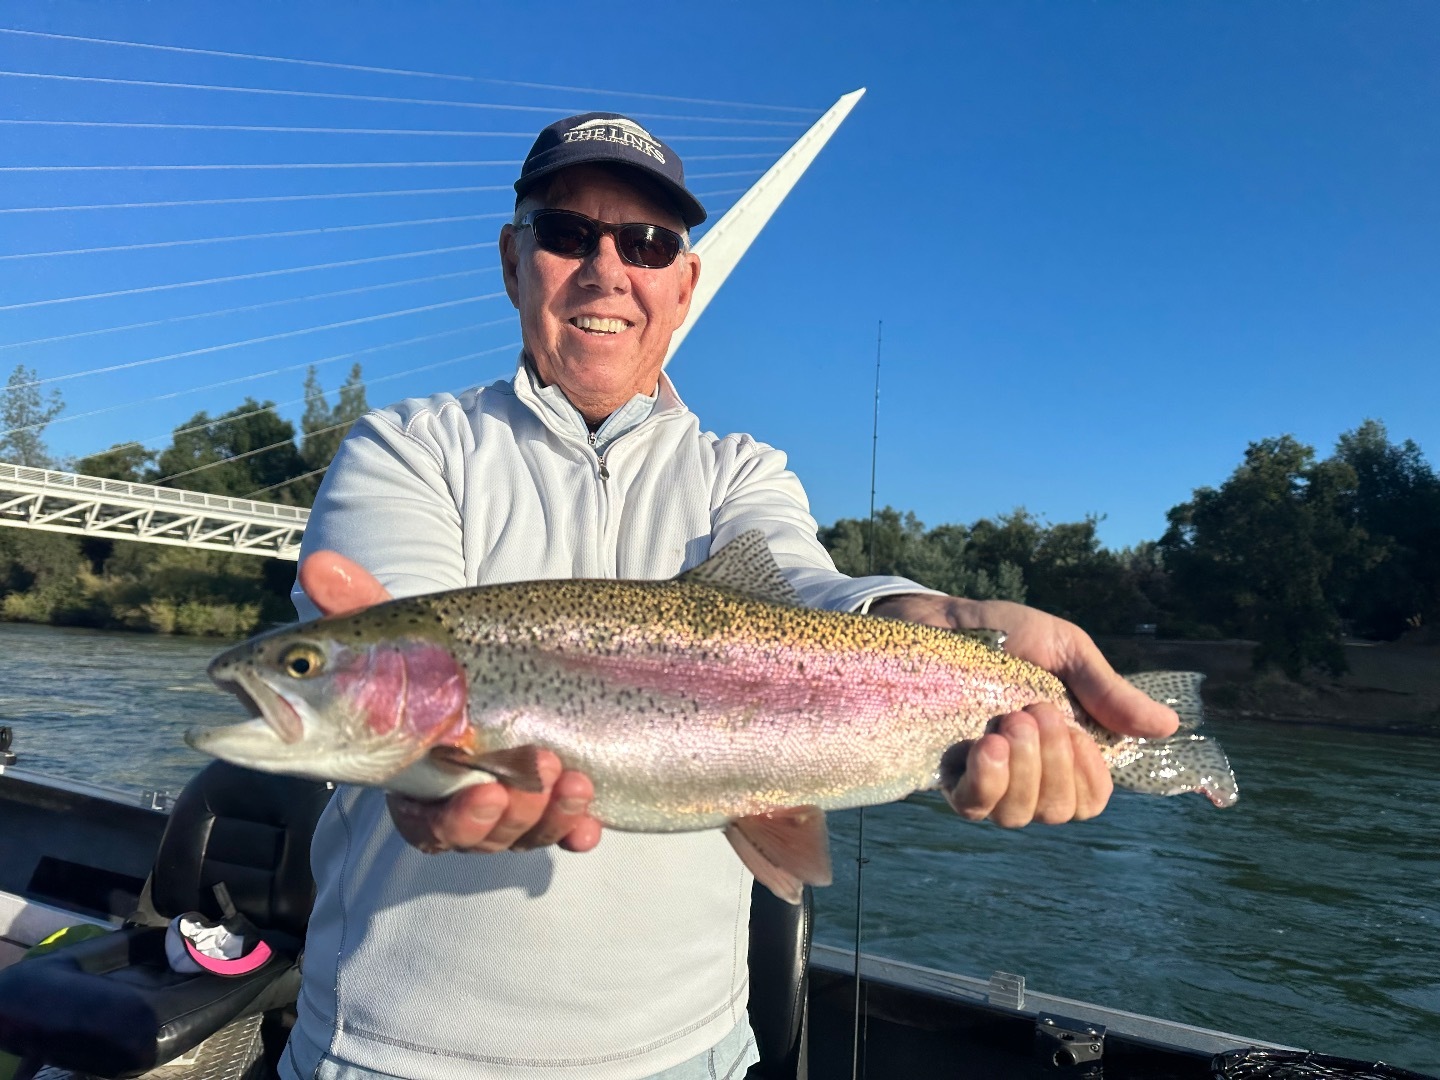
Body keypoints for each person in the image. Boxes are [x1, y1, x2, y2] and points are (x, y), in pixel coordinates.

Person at [282, 112, 1179, 1080]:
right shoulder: (405, 446)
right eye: (568, 232)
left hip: (695, 1054)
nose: (607, 269)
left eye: (649, 242)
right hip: (394, 1053)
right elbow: (402, 665)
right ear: (513, 260)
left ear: (686, 282)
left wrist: (938, 622)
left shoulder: (740, 470)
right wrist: (422, 772)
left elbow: (805, 587)